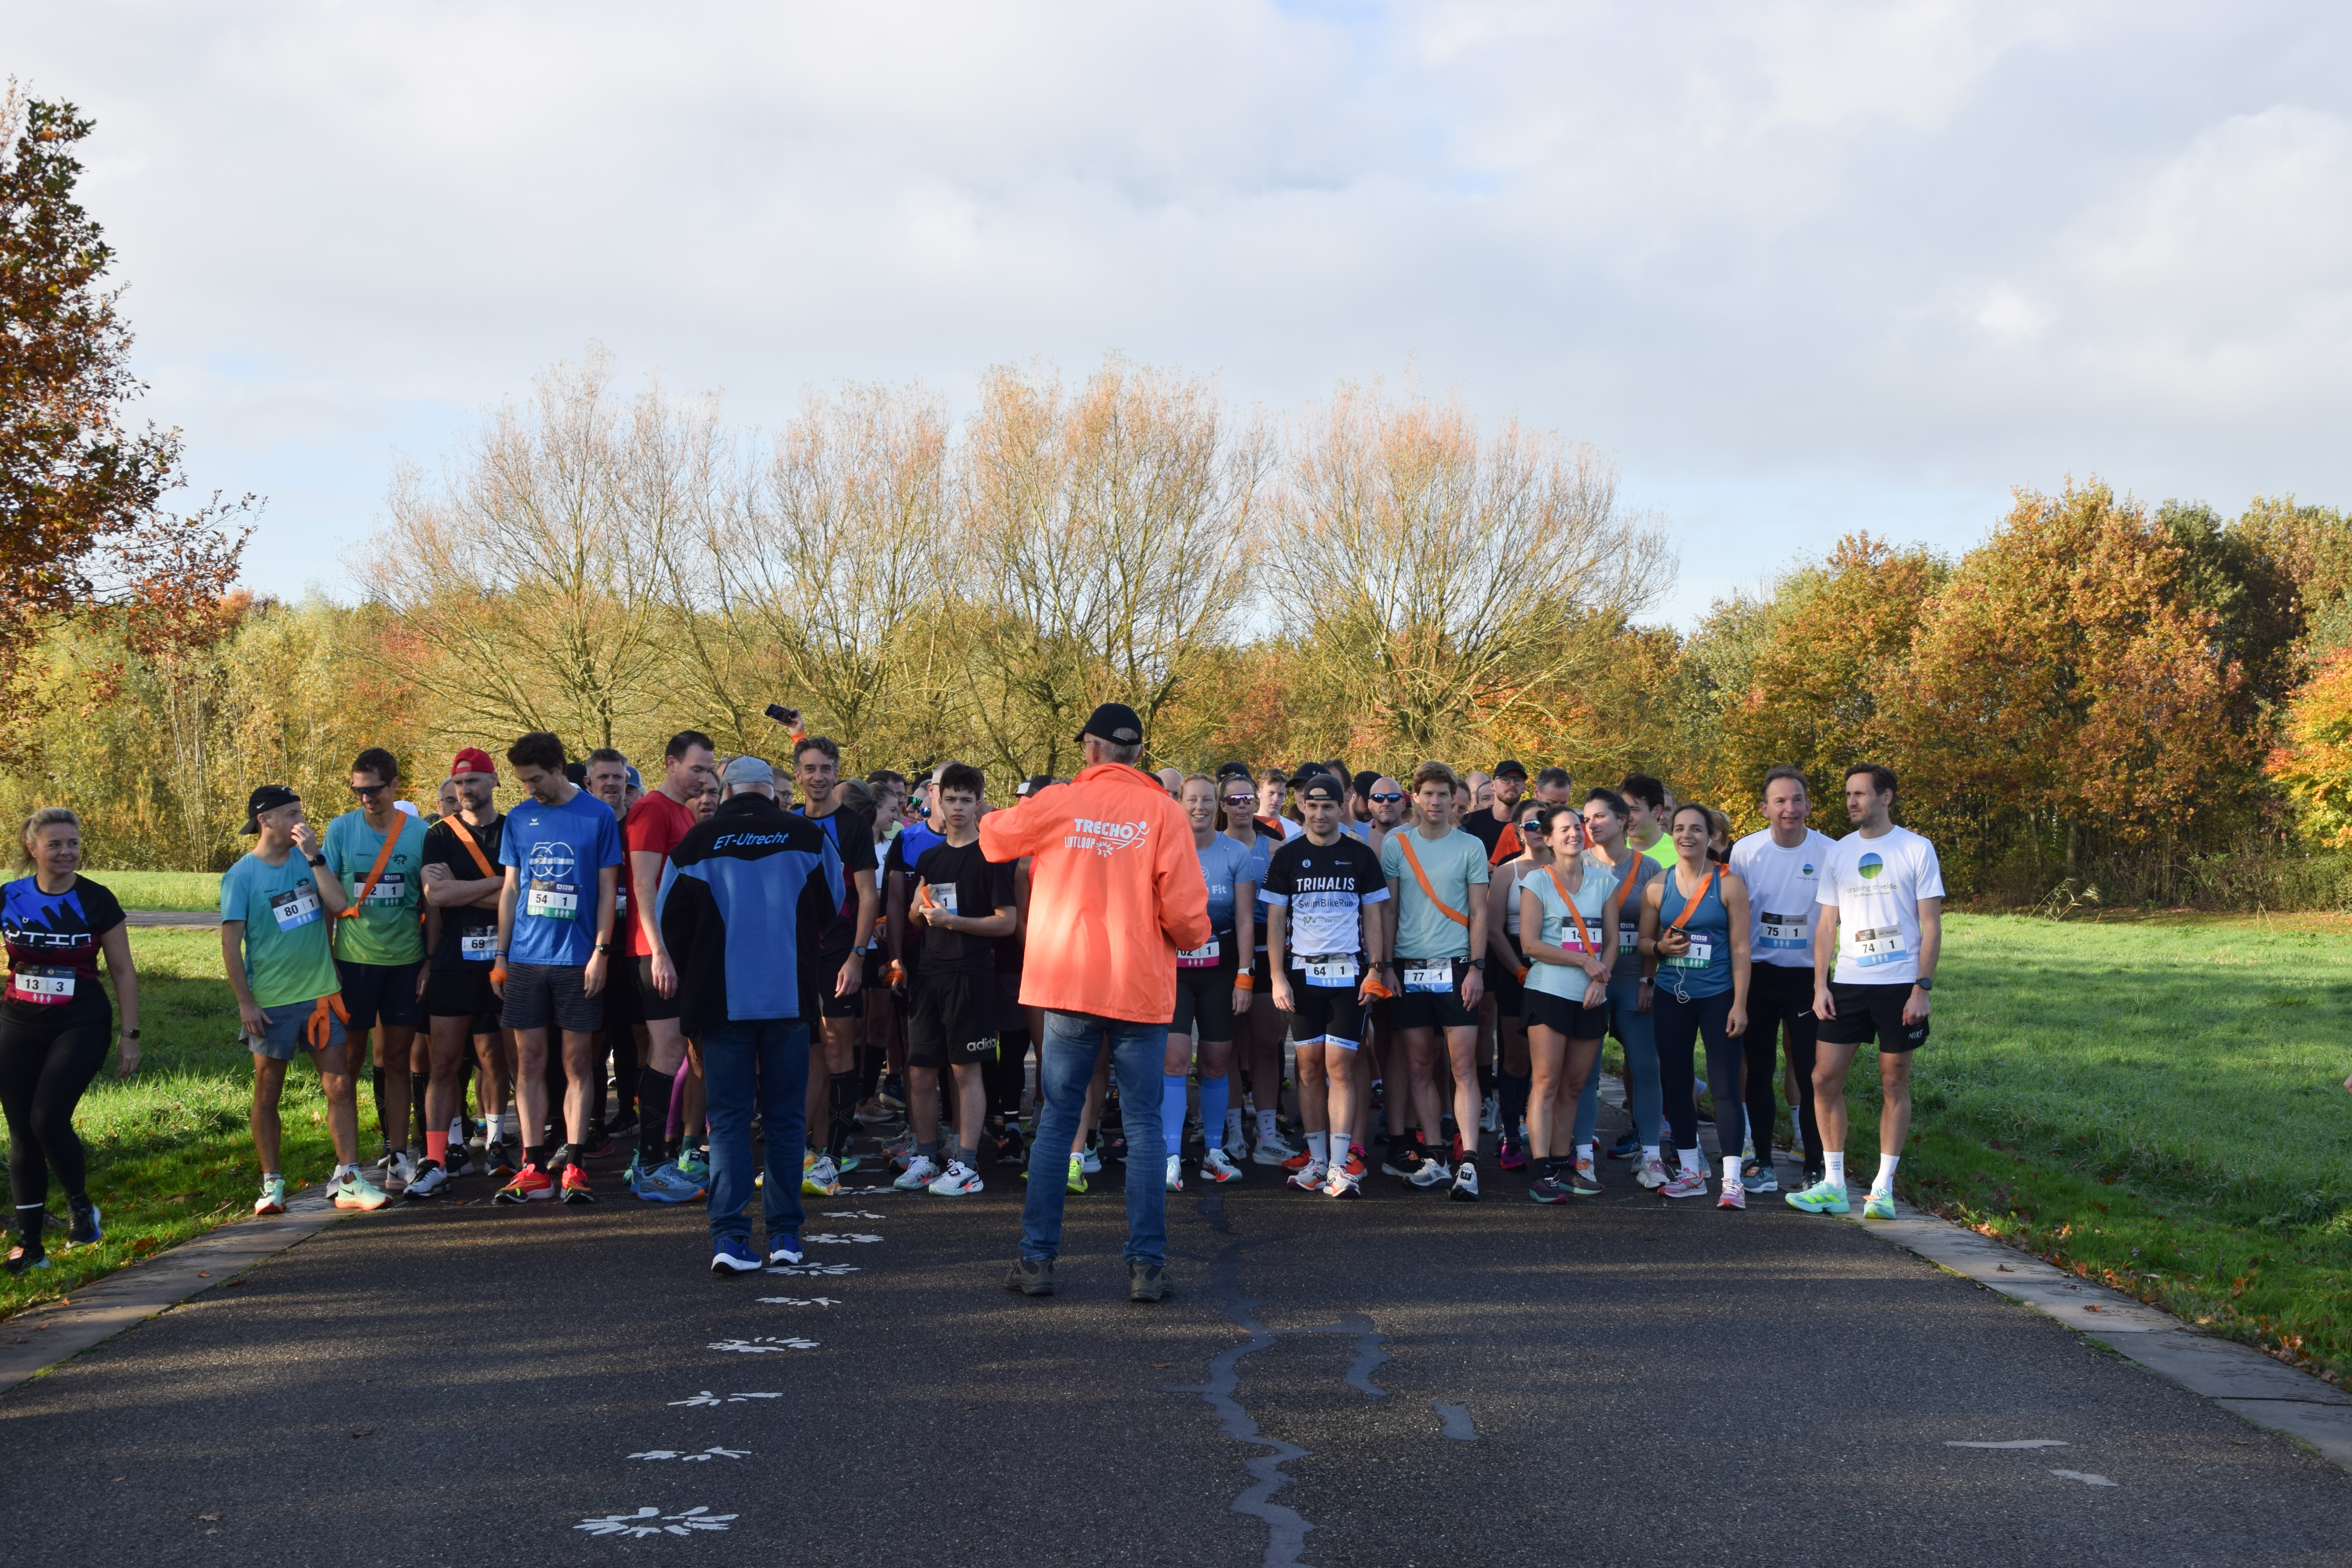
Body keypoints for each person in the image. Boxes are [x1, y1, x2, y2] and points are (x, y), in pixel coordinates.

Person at [981, 702, 1209, 1303]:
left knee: (1058, 1121)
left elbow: (992, 837)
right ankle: (1147, 1268)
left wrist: (1041, 806)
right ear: (1137, 754)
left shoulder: (1060, 803)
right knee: (1143, 1128)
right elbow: (1187, 917)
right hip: (1138, 988)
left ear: (1091, 749)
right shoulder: (1163, 811)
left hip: (1071, 986)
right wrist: (1187, 937)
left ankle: (1036, 1262)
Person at [656, 755, 843, 1274]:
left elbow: (670, 921)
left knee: (731, 1122)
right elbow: (833, 904)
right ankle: (786, 1236)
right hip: (789, 995)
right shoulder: (806, 836)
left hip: (721, 1000)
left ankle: (731, 1240)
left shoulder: (695, 843)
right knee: (786, 1121)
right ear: (770, 792)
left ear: (727, 790)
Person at [220, 784, 385, 1214]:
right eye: (291, 812)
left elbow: (338, 902)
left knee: (341, 1085)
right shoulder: (241, 875)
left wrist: (314, 857)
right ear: (266, 819)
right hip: (271, 1001)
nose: (301, 819)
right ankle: (271, 1183)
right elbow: (230, 946)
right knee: (268, 1090)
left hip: (321, 996)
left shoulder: (310, 859)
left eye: (300, 810)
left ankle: (349, 1179)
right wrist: (246, 1002)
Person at [1789, 764, 1943, 1221]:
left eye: (1860, 794)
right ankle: (1834, 1184)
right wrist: (1820, 984)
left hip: (1900, 986)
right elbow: (1826, 923)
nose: (1852, 802)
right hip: (1849, 983)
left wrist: (1922, 987)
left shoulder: (1916, 848)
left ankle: (1882, 1188)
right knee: (1821, 1079)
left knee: (1894, 1083)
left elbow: (1932, 924)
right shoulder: (1838, 853)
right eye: (1848, 794)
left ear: (1886, 797)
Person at [490, 731, 622, 1206]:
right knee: (527, 1063)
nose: (530, 789)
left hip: (577, 959)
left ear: (559, 768)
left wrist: (601, 951)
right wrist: (502, 955)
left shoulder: (598, 815)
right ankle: (532, 1165)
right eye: (524, 781)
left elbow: (608, 889)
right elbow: (511, 889)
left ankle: (575, 1165)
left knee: (577, 1064)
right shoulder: (520, 818)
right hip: (525, 959)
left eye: (537, 779)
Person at [2, 809, 136, 1272]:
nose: (66, 852)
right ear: (33, 848)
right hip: (18, 1023)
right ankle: (30, 1245)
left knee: (47, 1117)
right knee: (21, 1131)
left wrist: (130, 1035)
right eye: (55, 844)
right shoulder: (10, 897)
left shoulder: (97, 899)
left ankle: (81, 1207)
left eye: (73, 843)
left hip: (80, 1021)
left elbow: (123, 970)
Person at [1264, 772, 1392, 1198]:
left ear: (1342, 808)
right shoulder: (1287, 855)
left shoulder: (1360, 856)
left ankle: (1341, 1164)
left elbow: (1374, 915)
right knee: (1307, 1068)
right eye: (1313, 806)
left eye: (1328, 807)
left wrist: (1376, 968)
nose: (1320, 814)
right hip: (1301, 974)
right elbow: (1277, 919)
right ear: (1302, 807)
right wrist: (1277, 975)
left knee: (1339, 1068)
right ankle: (1317, 1158)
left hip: (1349, 973)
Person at [893, 763, 1014, 1196]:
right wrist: (919, 911)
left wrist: (954, 920)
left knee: (966, 1072)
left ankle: (966, 1164)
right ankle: (926, 1156)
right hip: (930, 973)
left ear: (979, 802)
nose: (959, 807)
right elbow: (915, 914)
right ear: (937, 801)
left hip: (971, 973)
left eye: (967, 800)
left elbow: (1006, 924)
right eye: (951, 800)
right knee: (921, 1071)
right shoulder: (928, 856)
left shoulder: (993, 856)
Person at [1380, 761, 1492, 1199]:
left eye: (1443, 794)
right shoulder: (1397, 844)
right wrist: (1385, 963)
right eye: (1427, 793)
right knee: (1419, 1066)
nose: (1435, 802)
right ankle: (1436, 1157)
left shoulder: (1470, 846)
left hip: (1458, 965)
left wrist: (1478, 966)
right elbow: (1388, 909)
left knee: (1462, 1067)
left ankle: (1469, 1164)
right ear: (1415, 796)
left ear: (1453, 799)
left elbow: (1480, 911)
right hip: (1407, 966)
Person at [320, 748, 430, 1189]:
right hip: (353, 963)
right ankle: (345, 1163)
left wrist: (430, 960)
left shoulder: (420, 832)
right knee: (349, 1061)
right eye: (358, 790)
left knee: (397, 1060)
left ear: (395, 786)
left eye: (375, 789)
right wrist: (328, 958)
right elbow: (328, 893)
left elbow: (430, 901)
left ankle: (399, 1154)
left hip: (404, 961)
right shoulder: (341, 830)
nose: (367, 797)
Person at [1638, 802, 1753, 1205]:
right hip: (1672, 995)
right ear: (1672, 834)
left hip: (1718, 994)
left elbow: (1741, 948)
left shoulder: (1730, 884)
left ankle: (1733, 1180)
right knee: (1676, 1083)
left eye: (1696, 829)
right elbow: (1644, 943)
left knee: (1724, 1088)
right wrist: (1659, 947)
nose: (1687, 836)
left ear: (1713, 836)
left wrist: (1740, 1004)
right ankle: (1691, 1172)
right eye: (1680, 828)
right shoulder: (1657, 886)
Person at [413, 750, 513, 1197]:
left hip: (504, 957)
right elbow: (437, 895)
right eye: (460, 783)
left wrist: (463, 891)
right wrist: (500, 886)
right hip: (454, 959)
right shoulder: (438, 834)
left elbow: (527, 895)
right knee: (444, 1062)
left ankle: (496, 1143)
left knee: (497, 1057)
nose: (466, 790)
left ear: (494, 781)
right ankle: (437, 1158)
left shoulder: (514, 829)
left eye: (474, 781)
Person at [1728, 767, 1833, 1193]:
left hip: (1809, 977)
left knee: (1810, 1072)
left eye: (1797, 800)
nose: (1789, 809)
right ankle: (1764, 1161)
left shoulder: (1831, 850)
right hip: (1758, 975)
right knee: (1758, 1069)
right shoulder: (1746, 851)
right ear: (1764, 808)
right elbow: (1737, 917)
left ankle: (1814, 1164)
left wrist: (1824, 979)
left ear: (1808, 805)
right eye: (1780, 801)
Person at [624, 731, 717, 1202]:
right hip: (655, 952)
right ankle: (649, 1166)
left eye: (709, 769)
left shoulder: (684, 811)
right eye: (697, 769)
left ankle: (660, 1160)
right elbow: (642, 886)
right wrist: (658, 952)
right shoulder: (652, 810)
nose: (705, 778)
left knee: (680, 1054)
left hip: (682, 951)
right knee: (665, 1054)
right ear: (670, 764)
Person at [1517, 804, 1620, 1202]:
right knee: (1546, 1082)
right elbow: (1530, 944)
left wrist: (1601, 978)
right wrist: (1583, 961)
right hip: (1549, 992)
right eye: (1565, 829)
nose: (1575, 834)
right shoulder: (1536, 882)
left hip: (1592, 996)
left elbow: (1611, 943)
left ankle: (1563, 1166)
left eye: (1578, 827)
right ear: (1547, 837)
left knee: (1576, 1085)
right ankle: (1542, 1170)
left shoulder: (1603, 880)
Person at [792, 736, 878, 1198]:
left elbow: (869, 895)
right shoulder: (787, 824)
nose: (819, 777)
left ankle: (833, 1158)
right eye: (811, 769)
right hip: (798, 959)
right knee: (808, 1060)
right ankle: (807, 1150)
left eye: (827, 768)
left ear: (836, 771)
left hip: (840, 954)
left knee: (838, 1054)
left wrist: (857, 956)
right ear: (799, 774)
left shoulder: (852, 826)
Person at [1165, 775, 1252, 1192]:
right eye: (1190, 800)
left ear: (1216, 804)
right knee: (1175, 1061)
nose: (1198, 807)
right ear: (1179, 803)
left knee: (1216, 1061)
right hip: (1174, 972)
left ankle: (1214, 1151)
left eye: (1205, 800)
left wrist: (1245, 976)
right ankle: (1169, 1155)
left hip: (1221, 971)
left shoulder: (1236, 852)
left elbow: (1244, 920)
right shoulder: (1163, 847)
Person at [1583, 787, 1668, 1188]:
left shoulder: (1649, 868)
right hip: (1588, 982)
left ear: (1623, 820)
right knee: (1587, 1071)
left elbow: (1657, 929)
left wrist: (1649, 979)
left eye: (1600, 816)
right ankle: (1582, 1155)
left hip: (1634, 980)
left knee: (1646, 1066)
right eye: (1586, 818)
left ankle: (1652, 1155)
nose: (1591, 825)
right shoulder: (1577, 864)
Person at [1214, 762, 1295, 1169]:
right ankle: (1232, 1131)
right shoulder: (1209, 847)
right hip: (1224, 954)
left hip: (1266, 953)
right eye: (1235, 799)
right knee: (1226, 1045)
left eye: (1249, 798)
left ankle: (1267, 1132)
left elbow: (1289, 907)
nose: (1243, 805)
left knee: (1266, 1044)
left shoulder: (1276, 847)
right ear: (1223, 804)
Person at [1484, 798, 1546, 1172]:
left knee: (1551, 1064)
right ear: (1518, 832)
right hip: (1516, 969)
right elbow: (1493, 929)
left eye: (1543, 824)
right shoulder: (1507, 873)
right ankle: (1511, 1136)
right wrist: (1519, 970)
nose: (1537, 831)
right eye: (1530, 825)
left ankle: (1551, 1138)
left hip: (1559, 968)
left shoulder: (1573, 869)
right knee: (1518, 1059)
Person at [1620, 773, 1676, 869]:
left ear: (1657, 811)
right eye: (1624, 810)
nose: (1628, 817)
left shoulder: (1679, 851)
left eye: (1634, 810)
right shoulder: (1615, 852)